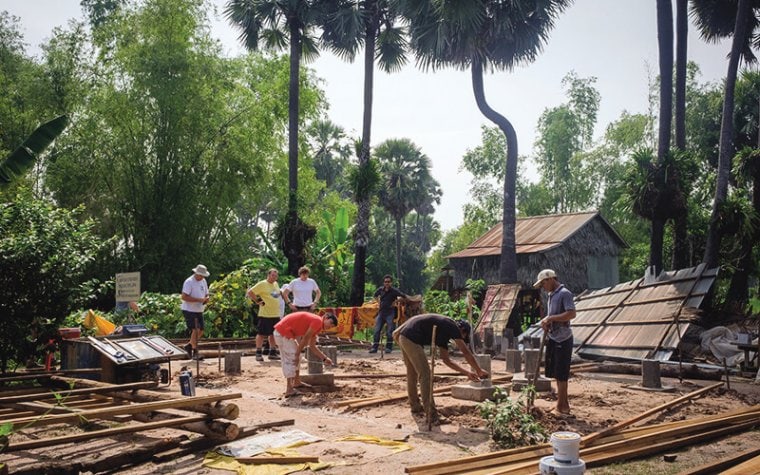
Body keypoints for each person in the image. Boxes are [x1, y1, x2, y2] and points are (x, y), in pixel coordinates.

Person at [393, 314, 489, 421]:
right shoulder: (453, 327)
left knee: (412, 373)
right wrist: (479, 370)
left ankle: (415, 406)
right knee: (425, 375)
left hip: (404, 337)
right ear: (463, 330)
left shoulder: (443, 332)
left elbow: (446, 360)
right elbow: (466, 352)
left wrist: (467, 373)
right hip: (410, 338)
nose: (460, 340)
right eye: (463, 337)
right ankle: (432, 415)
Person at [534, 268, 576, 416]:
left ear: (550, 279)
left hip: (563, 338)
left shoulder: (565, 293)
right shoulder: (552, 295)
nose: (543, 288)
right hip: (554, 336)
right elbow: (554, 315)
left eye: (543, 284)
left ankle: (562, 407)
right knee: (557, 373)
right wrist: (547, 321)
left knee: (562, 374)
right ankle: (562, 404)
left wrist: (551, 319)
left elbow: (571, 313)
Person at [273, 311, 338, 397]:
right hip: (283, 332)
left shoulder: (317, 326)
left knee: (297, 357)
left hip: (285, 333)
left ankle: (296, 382)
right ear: (325, 317)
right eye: (330, 323)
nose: (329, 326)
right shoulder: (317, 321)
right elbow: (305, 339)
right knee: (292, 358)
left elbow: (312, 346)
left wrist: (325, 359)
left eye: (332, 326)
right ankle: (289, 389)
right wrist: (296, 354)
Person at [247, 268, 282, 361]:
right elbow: (250, 292)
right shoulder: (262, 284)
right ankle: (258, 352)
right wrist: (258, 301)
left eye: (276, 275)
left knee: (273, 334)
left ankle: (272, 352)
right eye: (273, 275)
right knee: (261, 334)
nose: (274, 277)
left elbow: (275, 296)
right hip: (265, 314)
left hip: (275, 313)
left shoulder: (275, 284)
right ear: (268, 275)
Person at [371, 275, 408, 353]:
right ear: (383, 283)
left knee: (390, 331)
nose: (387, 283)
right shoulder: (381, 289)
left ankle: (388, 348)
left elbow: (403, 296)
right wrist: (378, 302)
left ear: (391, 283)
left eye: (388, 282)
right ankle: (374, 348)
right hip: (381, 313)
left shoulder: (394, 291)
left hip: (390, 313)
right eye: (385, 282)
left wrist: (395, 302)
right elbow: (375, 295)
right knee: (377, 330)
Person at [181, 264, 210, 360]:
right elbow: (184, 297)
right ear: (196, 273)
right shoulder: (189, 282)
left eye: (203, 275)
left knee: (201, 330)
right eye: (200, 275)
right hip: (189, 309)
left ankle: (189, 345)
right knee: (196, 329)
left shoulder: (203, 281)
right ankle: (195, 351)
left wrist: (206, 298)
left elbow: (206, 293)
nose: (202, 277)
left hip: (199, 309)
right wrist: (199, 300)